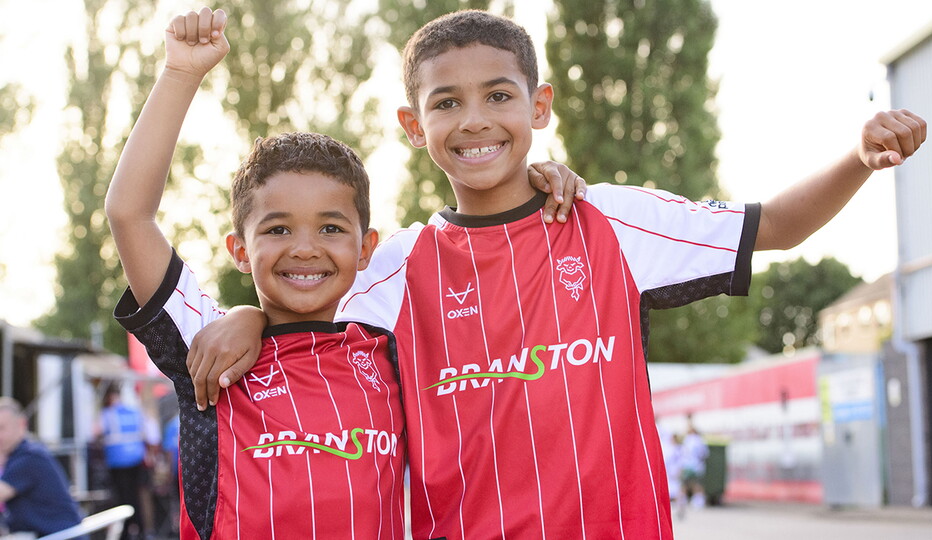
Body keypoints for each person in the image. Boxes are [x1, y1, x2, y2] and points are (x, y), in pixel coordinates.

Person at [187, 9, 927, 539]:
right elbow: (304, 290)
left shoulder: (612, 222)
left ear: (538, 106)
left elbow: (774, 227)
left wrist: (857, 160)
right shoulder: (396, 267)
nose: (475, 119)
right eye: (448, 102)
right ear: (415, 127)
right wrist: (248, 316)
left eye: (498, 95)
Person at [105, 8, 580, 539]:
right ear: (239, 249)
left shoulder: (395, 349)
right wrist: (180, 74)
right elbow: (130, 214)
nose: (304, 250)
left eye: (331, 229)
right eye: (278, 230)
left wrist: (534, 180)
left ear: (366, 250)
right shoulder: (207, 347)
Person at [0, 397, 84, 537]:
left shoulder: (29, 457)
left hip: (58, 536)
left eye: (2, 428)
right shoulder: (22, 454)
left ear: (21, 424)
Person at [98, 386, 149, 540]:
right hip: (136, 459)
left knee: (121, 499)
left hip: (117, 462)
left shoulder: (108, 414)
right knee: (135, 497)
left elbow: (94, 431)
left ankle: (125, 532)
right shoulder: (134, 412)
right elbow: (148, 433)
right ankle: (140, 530)